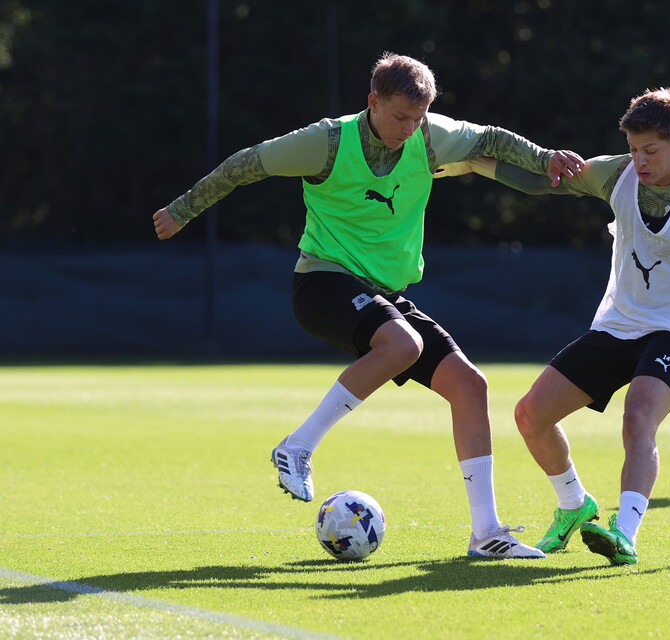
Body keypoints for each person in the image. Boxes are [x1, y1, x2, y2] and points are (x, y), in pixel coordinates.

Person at [152, 52, 584, 559]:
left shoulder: (429, 136)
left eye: (418, 117)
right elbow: (247, 164)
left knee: (470, 386)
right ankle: (297, 446)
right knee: (403, 343)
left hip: (385, 294)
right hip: (323, 283)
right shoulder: (327, 142)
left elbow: (488, 140)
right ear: (372, 101)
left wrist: (545, 158)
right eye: (399, 116)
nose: (408, 128)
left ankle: (486, 533)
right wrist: (182, 209)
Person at [462, 87, 670, 565]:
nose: (639, 161)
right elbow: (543, 183)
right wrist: (470, 162)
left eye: (650, 150)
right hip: (619, 325)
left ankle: (624, 532)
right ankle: (574, 505)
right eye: (632, 148)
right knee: (530, 415)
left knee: (637, 416)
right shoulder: (618, 174)